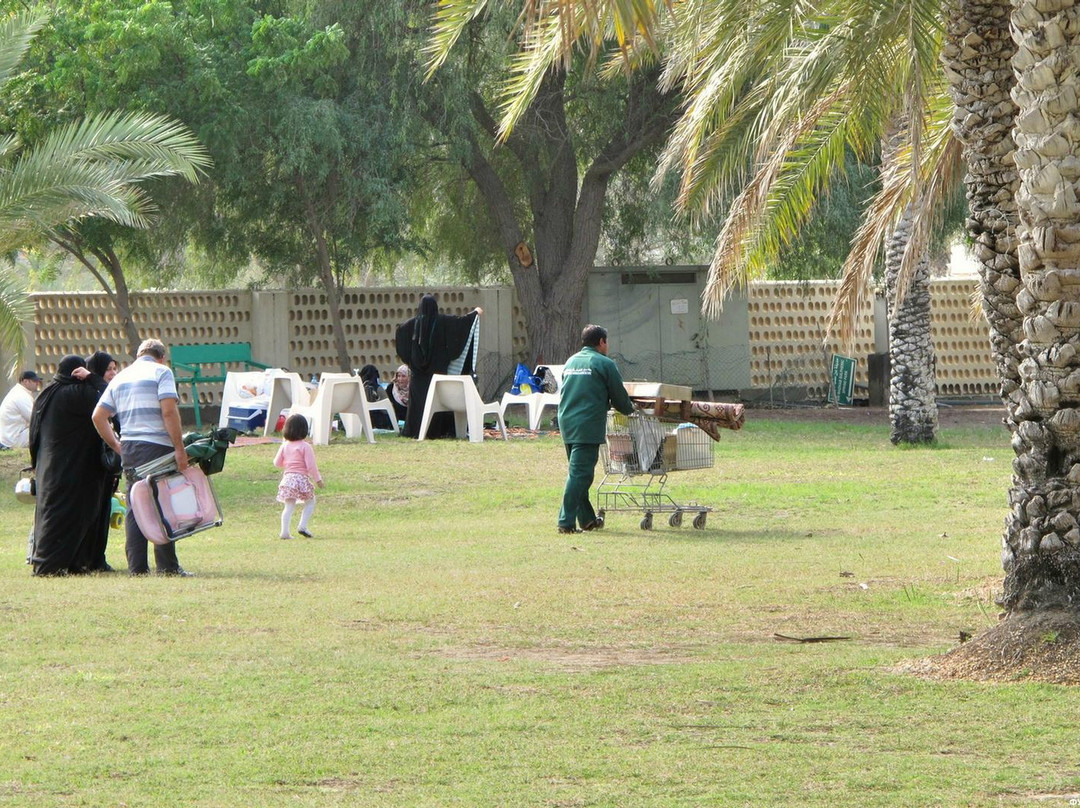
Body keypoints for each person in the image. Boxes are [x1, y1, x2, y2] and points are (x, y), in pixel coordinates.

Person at [92, 338, 193, 577]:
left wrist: (117, 444)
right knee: (163, 502)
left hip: (131, 447)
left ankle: (137, 567)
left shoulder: (120, 377)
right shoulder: (162, 372)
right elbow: (168, 411)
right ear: (161, 357)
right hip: (157, 445)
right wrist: (179, 448)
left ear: (138, 355)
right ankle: (167, 565)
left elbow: (98, 416)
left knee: (135, 503)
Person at [27, 356, 110, 575]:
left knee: (51, 514)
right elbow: (112, 397)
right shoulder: (78, 394)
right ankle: (51, 565)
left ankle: (61, 562)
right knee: (73, 515)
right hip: (73, 468)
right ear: (77, 372)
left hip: (48, 467)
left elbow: (33, 431)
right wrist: (92, 378)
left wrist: (35, 462)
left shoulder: (47, 393)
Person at [556, 324, 635, 534]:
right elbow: (620, 397)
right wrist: (630, 409)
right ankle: (565, 522)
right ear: (601, 342)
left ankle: (588, 520)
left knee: (577, 473)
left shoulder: (571, 361)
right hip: (587, 425)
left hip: (567, 423)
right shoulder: (604, 363)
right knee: (580, 475)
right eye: (606, 342)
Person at [395, 294, 483, 438]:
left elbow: (400, 334)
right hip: (437, 375)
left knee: (418, 404)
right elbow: (462, 323)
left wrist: (411, 360)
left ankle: (415, 431)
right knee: (436, 402)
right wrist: (475, 313)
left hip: (418, 376)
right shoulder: (443, 321)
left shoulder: (411, 325)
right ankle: (435, 431)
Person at [80, 351, 120, 573]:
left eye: (115, 368)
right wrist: (93, 380)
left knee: (104, 512)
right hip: (92, 464)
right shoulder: (91, 391)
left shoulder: (101, 388)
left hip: (108, 463)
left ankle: (97, 558)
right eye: (108, 369)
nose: (113, 373)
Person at [273, 414, 324, 539]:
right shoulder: (305, 446)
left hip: (287, 479)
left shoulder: (284, 445)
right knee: (310, 502)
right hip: (300, 478)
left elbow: (276, 463)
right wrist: (318, 479)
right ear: (304, 430)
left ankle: (284, 532)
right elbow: (311, 466)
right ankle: (302, 526)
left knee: (289, 506)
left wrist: (289, 463)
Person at [0, 370, 42, 449]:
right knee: (47, 429)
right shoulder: (20, 396)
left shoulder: (20, 392)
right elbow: (35, 419)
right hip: (14, 439)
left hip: (11, 436)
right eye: (35, 381)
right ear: (26, 382)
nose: (37, 383)